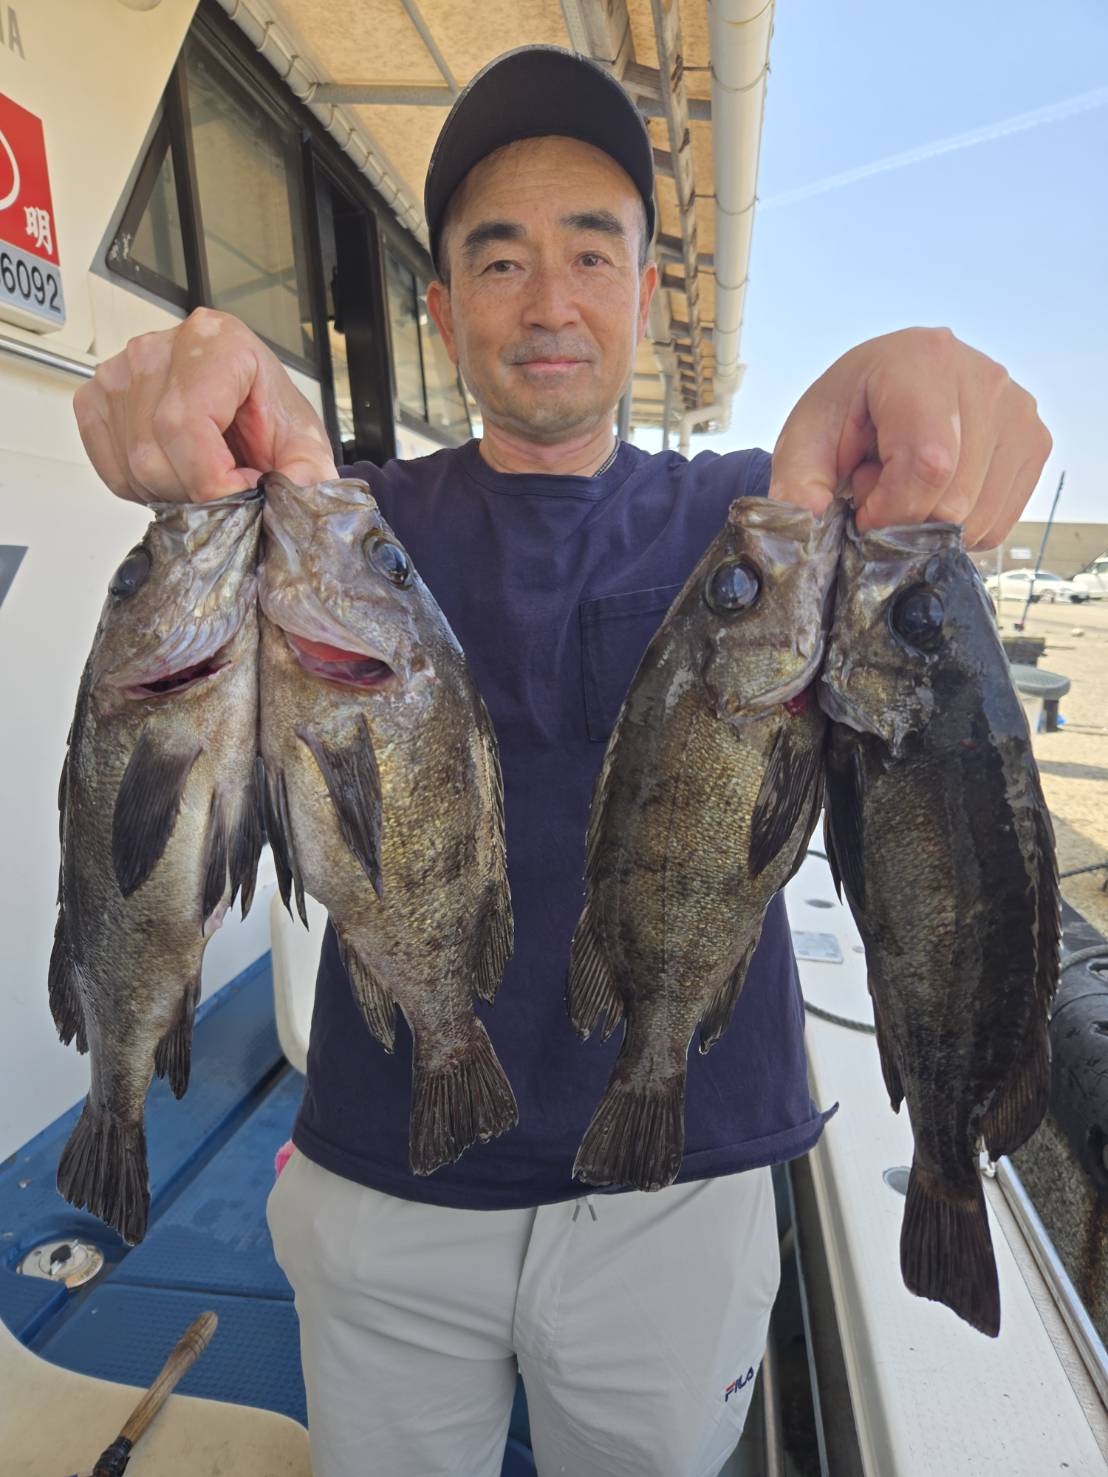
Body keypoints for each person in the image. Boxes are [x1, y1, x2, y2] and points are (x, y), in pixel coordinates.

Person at [73, 45, 1051, 1477]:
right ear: (441, 304)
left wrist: (909, 371)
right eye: (499, 258)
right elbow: (204, 631)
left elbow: (900, 612)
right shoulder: (342, 532)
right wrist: (215, 402)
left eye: (591, 253)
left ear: (644, 290)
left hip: (683, 1185)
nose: (548, 301)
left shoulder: (754, 527)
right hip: (385, 1177)